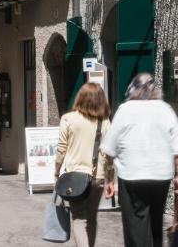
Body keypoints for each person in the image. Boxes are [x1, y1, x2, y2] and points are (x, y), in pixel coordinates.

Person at [101, 72, 178, 247]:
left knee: (136, 226)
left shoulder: (125, 110)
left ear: (132, 90)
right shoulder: (165, 109)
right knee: (155, 222)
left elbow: (109, 150)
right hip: (161, 176)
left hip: (132, 175)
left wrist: (109, 179)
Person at [54, 83, 114, 247]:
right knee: (92, 217)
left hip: (75, 178)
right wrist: (110, 180)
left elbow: (61, 149)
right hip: (98, 177)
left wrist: (56, 171)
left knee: (79, 218)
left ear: (79, 98)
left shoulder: (68, 119)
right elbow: (109, 154)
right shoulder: (105, 122)